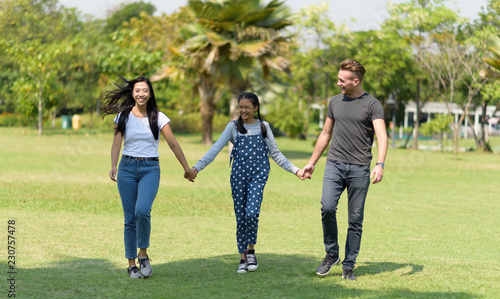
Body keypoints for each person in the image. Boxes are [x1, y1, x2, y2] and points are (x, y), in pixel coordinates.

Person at [191, 92, 305, 273]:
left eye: (247, 107)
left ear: (256, 108)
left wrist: (296, 170)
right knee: (241, 216)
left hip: (258, 176)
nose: (243, 110)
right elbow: (215, 149)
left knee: (251, 213)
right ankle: (242, 257)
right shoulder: (232, 127)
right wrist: (196, 168)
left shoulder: (263, 127)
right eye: (240, 107)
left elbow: (276, 154)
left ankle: (251, 250)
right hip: (238, 177)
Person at [101, 75, 197, 279]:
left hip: (150, 168)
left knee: (142, 211)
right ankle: (131, 264)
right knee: (129, 218)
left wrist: (186, 167)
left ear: (150, 93)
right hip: (127, 167)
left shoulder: (158, 117)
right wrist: (113, 165)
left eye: (145, 90)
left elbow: (173, 143)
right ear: (132, 93)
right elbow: (117, 142)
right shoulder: (123, 116)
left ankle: (143, 254)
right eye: (137, 90)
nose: (141, 94)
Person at [303, 59, 387, 281]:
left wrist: (380, 164)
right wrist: (312, 162)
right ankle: (332, 254)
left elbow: (382, 135)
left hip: (360, 168)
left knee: (355, 219)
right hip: (334, 164)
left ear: (355, 81)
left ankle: (349, 265)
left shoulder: (372, 105)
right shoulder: (334, 102)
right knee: (327, 207)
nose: (338, 83)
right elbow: (325, 134)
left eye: (342, 80)